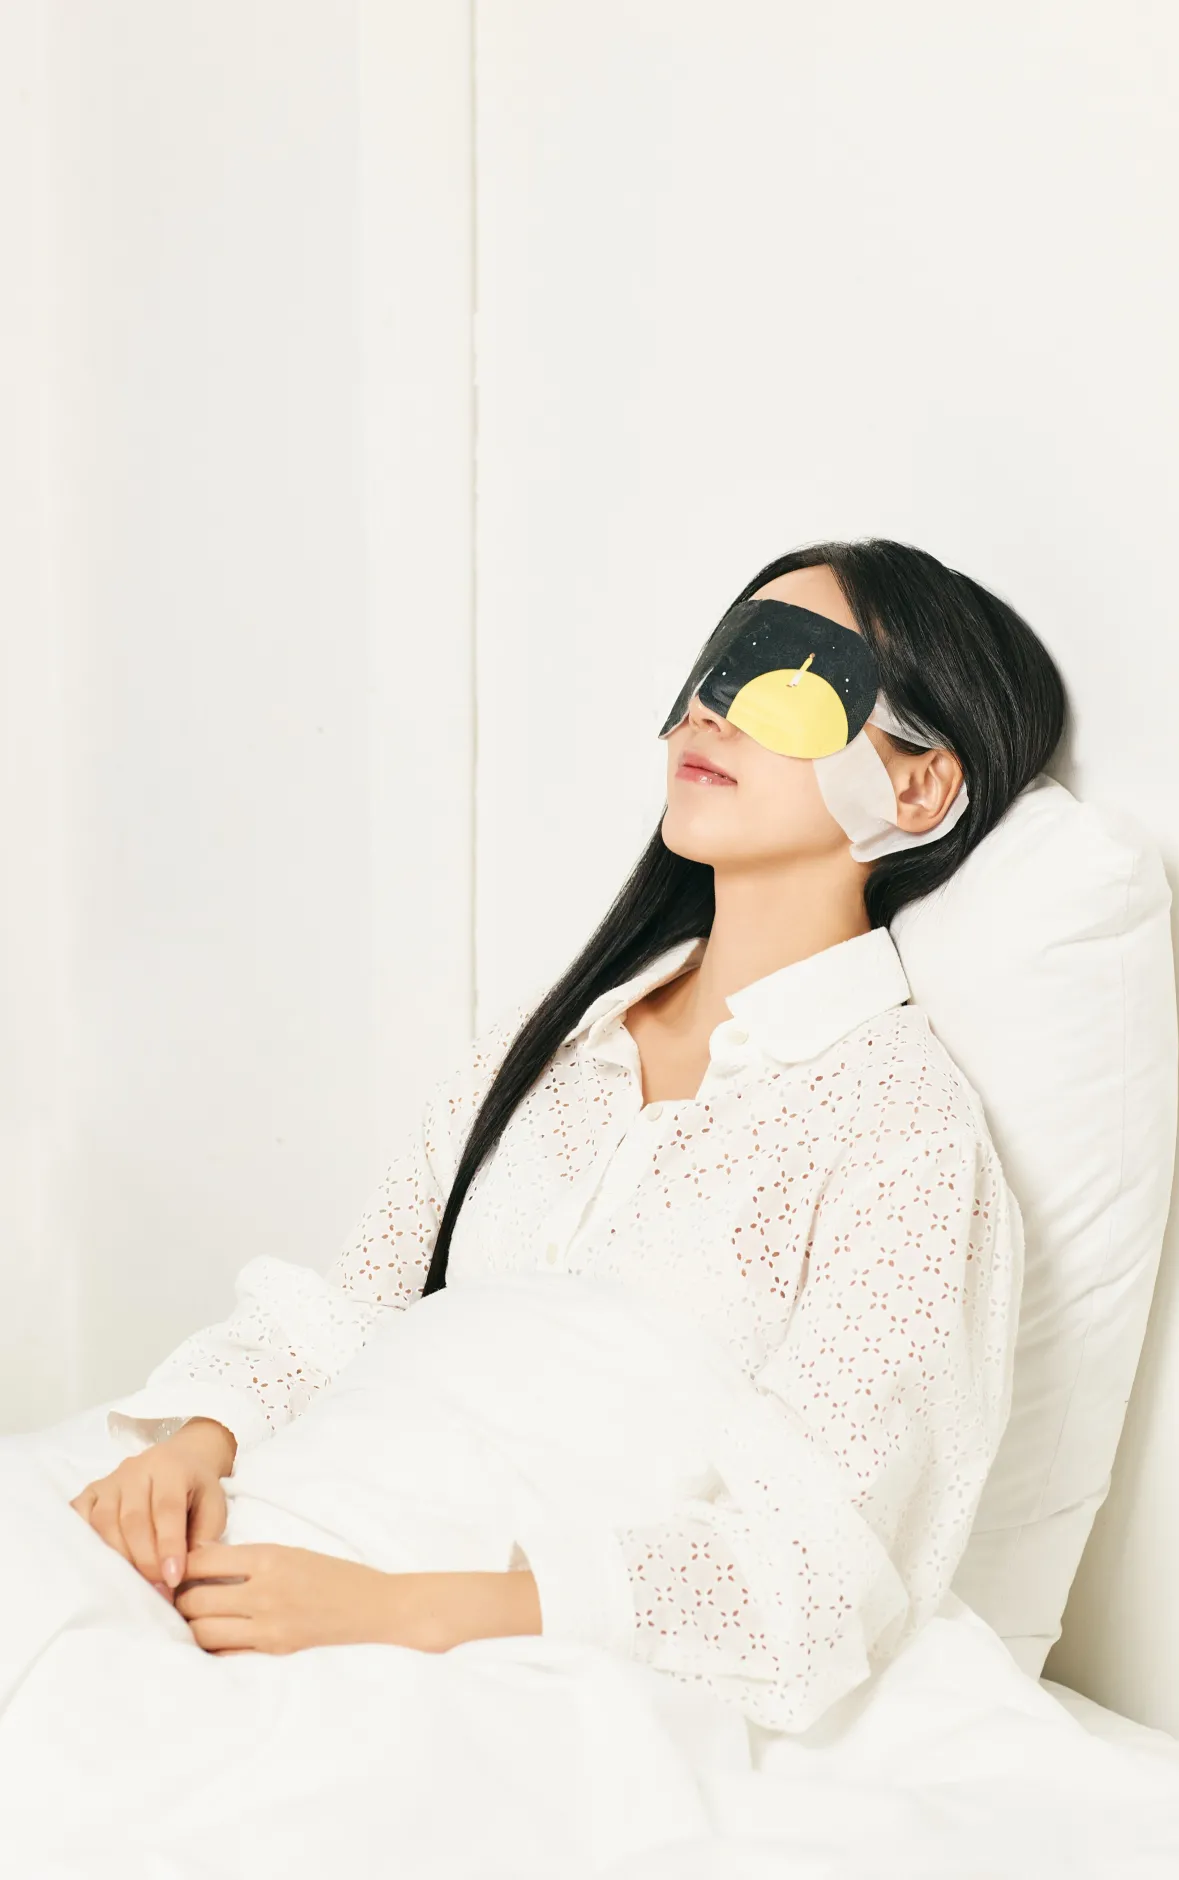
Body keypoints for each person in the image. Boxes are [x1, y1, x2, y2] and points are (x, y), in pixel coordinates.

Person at [65, 536, 1065, 1731]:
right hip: (284, 1518)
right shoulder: (546, 1045)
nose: (710, 709)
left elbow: (811, 1565)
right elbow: (360, 1302)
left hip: (490, 1656)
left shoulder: (901, 1132)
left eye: (793, 679)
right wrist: (199, 1442)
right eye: (718, 665)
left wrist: (399, 1608)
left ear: (917, 788)